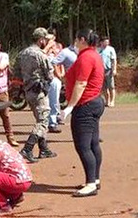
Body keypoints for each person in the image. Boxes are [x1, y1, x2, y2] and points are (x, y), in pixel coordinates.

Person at [59, 29, 105, 197]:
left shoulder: (86, 57)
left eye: (77, 40)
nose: (75, 43)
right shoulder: (93, 55)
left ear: (83, 40)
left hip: (85, 105)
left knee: (83, 146)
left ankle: (91, 183)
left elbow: (81, 84)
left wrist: (70, 107)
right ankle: (95, 179)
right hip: (94, 102)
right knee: (93, 144)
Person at [13, 27, 57, 163]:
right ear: (41, 40)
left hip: (28, 91)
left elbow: (16, 73)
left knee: (39, 118)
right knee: (43, 121)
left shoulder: (22, 53)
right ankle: (27, 148)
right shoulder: (40, 54)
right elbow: (50, 74)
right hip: (39, 92)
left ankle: (44, 148)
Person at [52, 41, 79, 124]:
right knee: (73, 101)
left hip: (82, 80)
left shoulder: (83, 52)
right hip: (71, 82)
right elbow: (54, 62)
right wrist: (60, 76)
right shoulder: (65, 52)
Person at [48, 42, 64, 133]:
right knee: (53, 102)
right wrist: (60, 75)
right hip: (52, 80)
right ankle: (52, 123)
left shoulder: (54, 56)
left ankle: (54, 120)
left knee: (54, 101)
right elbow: (55, 68)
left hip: (54, 80)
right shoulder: (50, 56)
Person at [98, 37, 117, 107]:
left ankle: (112, 101)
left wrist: (114, 69)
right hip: (100, 71)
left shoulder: (111, 49)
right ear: (101, 42)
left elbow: (114, 60)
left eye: (107, 42)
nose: (106, 43)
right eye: (105, 42)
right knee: (104, 87)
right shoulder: (98, 50)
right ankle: (107, 101)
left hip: (109, 70)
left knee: (111, 86)